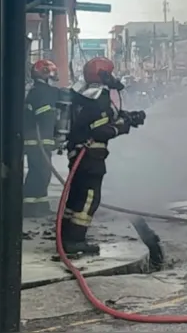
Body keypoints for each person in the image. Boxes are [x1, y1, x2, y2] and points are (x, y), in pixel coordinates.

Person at [62, 57, 146, 255]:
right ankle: (74, 241)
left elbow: (100, 118)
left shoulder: (82, 92)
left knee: (76, 195)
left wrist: (128, 117)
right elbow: (101, 130)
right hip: (90, 155)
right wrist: (122, 127)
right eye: (110, 72)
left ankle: (66, 234)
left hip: (78, 152)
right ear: (104, 74)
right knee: (89, 198)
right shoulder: (99, 97)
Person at [23, 59, 61, 217]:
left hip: (37, 139)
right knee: (40, 172)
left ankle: (41, 205)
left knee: (41, 172)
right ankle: (30, 207)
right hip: (38, 140)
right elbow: (46, 116)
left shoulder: (35, 90)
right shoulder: (44, 91)